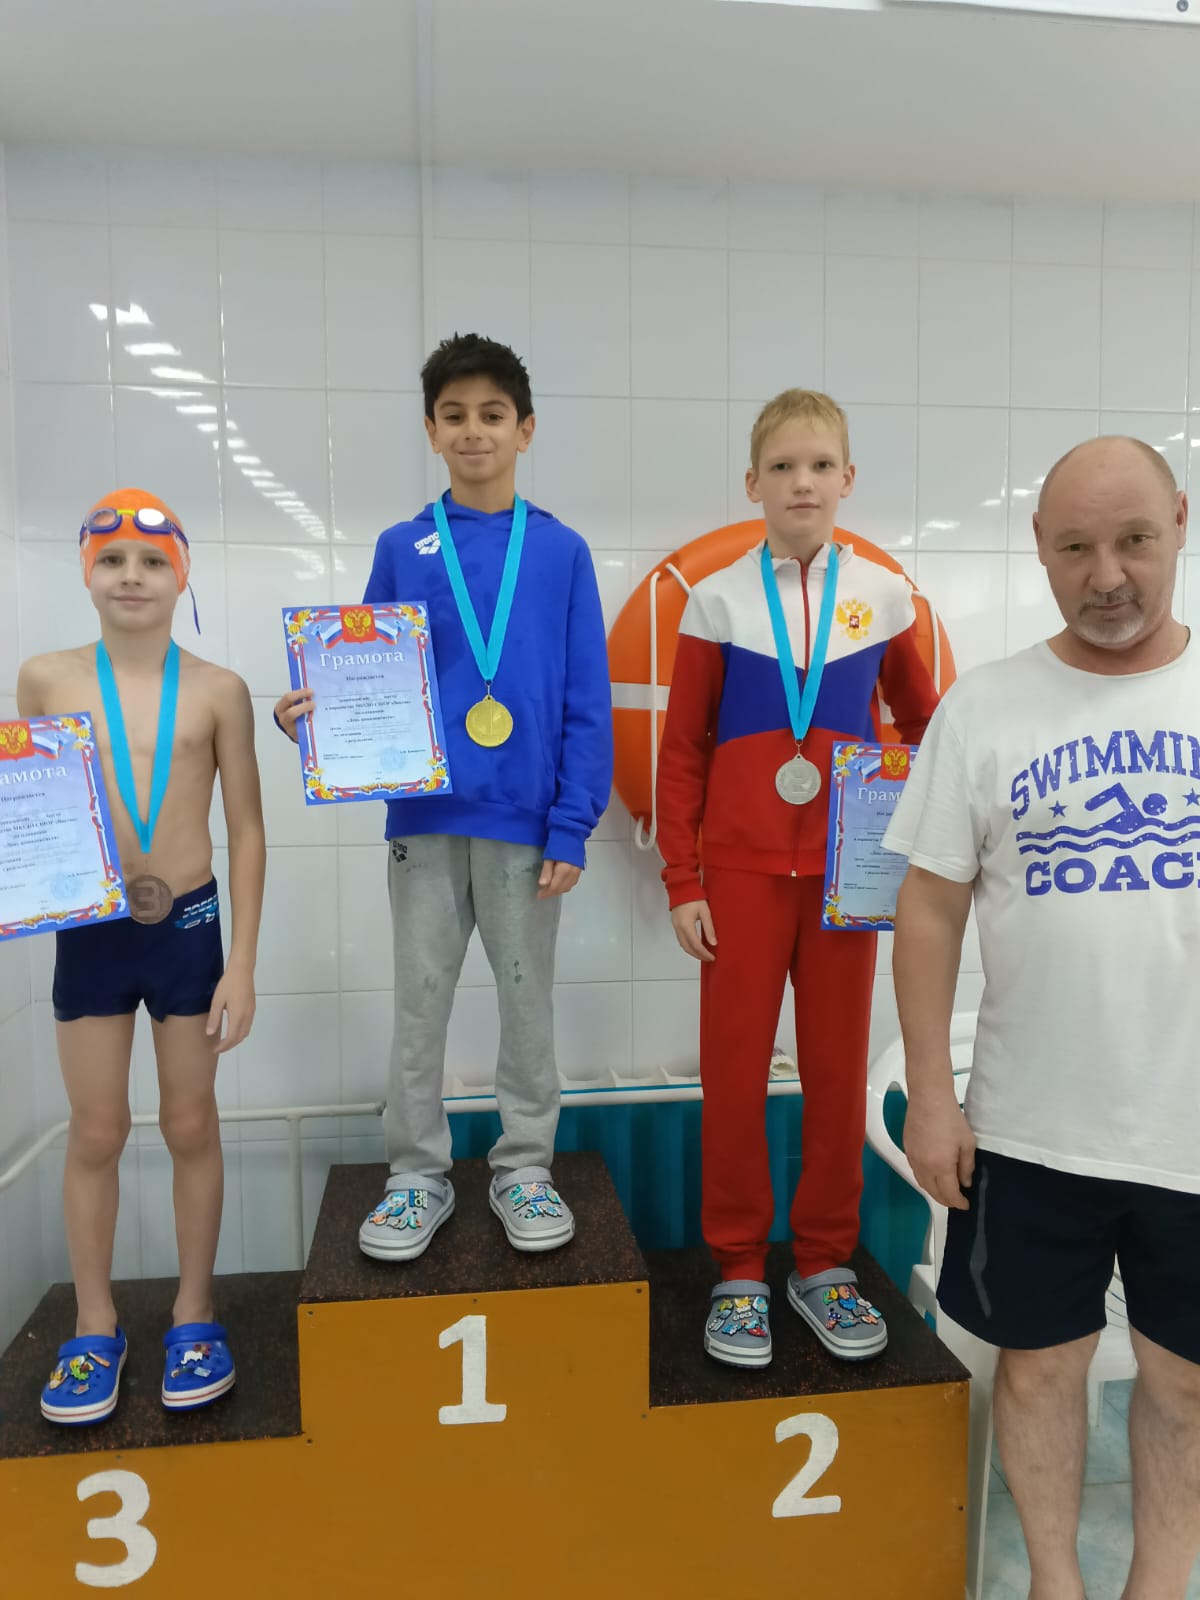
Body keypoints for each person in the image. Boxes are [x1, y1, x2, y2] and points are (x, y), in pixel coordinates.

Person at [885, 436, 1200, 1600]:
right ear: (1040, 547)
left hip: (1192, 1131)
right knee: (1038, 1368)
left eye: (1134, 541)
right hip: (1030, 1127)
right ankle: (1054, 1583)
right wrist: (931, 1094)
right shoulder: (987, 706)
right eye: (1075, 547)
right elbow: (929, 908)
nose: (1106, 575)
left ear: (1180, 522)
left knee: (1185, 1380)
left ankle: (1157, 1585)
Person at [275, 334, 612, 1259]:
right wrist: (315, 719)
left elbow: (586, 697)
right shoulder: (403, 546)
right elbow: (366, 670)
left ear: (525, 429)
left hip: (526, 823)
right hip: (423, 820)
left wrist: (572, 823)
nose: (474, 431)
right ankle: (415, 1174)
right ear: (430, 430)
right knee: (419, 1004)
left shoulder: (561, 551)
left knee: (526, 1005)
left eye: (492, 415)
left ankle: (524, 1166)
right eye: (454, 415)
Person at [655, 389, 938, 1367]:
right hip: (738, 877)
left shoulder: (886, 597)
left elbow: (927, 723)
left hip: (846, 881)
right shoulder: (718, 599)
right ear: (753, 483)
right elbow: (682, 750)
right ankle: (738, 1269)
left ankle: (823, 1263)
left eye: (820, 465)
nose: (802, 482)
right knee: (734, 1076)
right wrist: (683, 880)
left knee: (835, 1073)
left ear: (848, 479)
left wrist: (923, 847)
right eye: (782, 467)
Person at [19, 489, 265, 1425]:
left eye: (153, 561)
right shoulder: (45, 679)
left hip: (189, 930)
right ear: (88, 573)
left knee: (191, 1125)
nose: (133, 577)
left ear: (181, 577)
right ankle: (94, 1326)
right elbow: (34, 804)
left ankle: (194, 1315)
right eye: (113, 560)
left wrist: (242, 964)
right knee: (96, 1131)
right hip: (90, 930)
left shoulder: (219, 690)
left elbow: (247, 830)